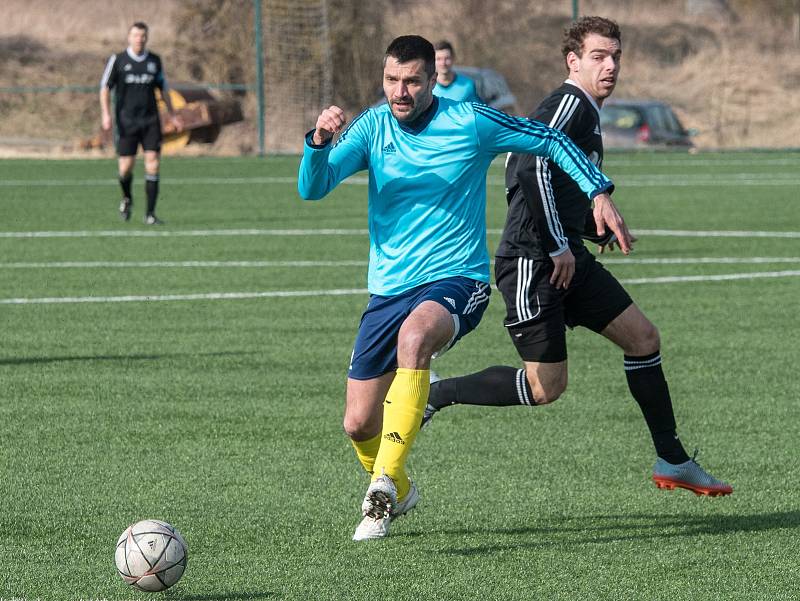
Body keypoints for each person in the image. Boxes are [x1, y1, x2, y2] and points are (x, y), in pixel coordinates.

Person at [298, 34, 627, 541]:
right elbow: (312, 187)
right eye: (391, 80)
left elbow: (551, 140)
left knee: (415, 339)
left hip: (458, 279)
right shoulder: (372, 126)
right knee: (357, 424)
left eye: (411, 81)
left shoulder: (469, 121)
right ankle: (400, 488)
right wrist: (318, 143)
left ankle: (382, 485)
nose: (399, 92)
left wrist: (597, 190)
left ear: (433, 79)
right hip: (388, 289)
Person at [422, 17, 733, 498]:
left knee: (643, 338)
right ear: (573, 61)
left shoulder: (585, 110)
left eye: (615, 57)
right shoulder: (569, 103)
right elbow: (528, 164)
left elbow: (555, 181)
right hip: (532, 261)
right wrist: (556, 242)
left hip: (568, 257)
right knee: (546, 387)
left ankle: (672, 458)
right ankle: (437, 393)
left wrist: (589, 226)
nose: (610, 66)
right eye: (598, 57)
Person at [100, 22, 181, 225]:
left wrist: (172, 115)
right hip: (126, 122)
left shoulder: (154, 61)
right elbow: (104, 88)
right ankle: (127, 198)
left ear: (147, 38)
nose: (139, 39)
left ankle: (150, 215)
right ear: (129, 37)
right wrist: (106, 115)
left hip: (151, 120)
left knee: (152, 163)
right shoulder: (118, 60)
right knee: (125, 168)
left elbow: (163, 89)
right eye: (136, 35)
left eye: (143, 35)